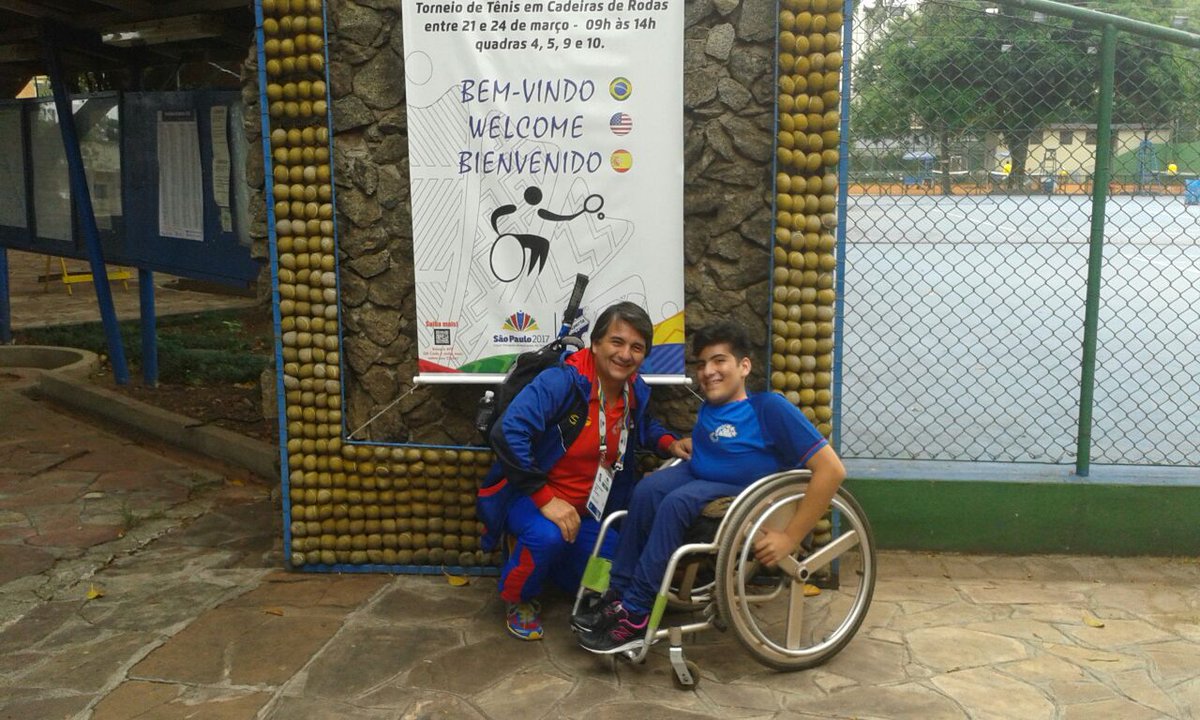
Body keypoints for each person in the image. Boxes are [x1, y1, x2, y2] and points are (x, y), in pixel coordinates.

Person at [575, 320, 847, 654]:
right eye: (702, 364)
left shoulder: (769, 408)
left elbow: (831, 470)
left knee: (676, 503)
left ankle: (636, 615)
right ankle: (617, 595)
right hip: (700, 475)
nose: (708, 371)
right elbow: (724, 442)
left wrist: (790, 536)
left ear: (744, 366)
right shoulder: (711, 408)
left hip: (743, 494)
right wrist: (687, 444)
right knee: (644, 491)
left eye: (719, 361)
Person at [477, 301, 688, 641]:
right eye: (616, 342)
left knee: (616, 569)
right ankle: (518, 595)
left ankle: (551, 562)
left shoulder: (634, 389)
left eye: (636, 347)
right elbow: (509, 431)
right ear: (596, 343)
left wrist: (669, 443)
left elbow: (641, 426)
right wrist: (545, 499)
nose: (625, 354)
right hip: (534, 500)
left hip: (592, 511)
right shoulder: (562, 383)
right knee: (547, 536)